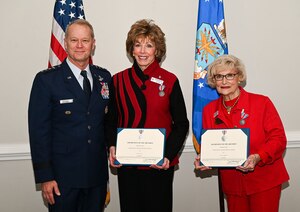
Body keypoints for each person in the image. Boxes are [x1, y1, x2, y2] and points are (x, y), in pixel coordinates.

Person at [106, 19, 189, 212]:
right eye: (138, 45)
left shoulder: (169, 80)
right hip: (128, 166)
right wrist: (111, 145)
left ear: (157, 50)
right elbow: (110, 120)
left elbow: (181, 124)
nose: (143, 51)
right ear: (131, 49)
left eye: (149, 45)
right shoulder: (118, 80)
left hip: (159, 166)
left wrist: (168, 155)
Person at [28, 19, 111, 212]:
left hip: (96, 177)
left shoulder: (104, 78)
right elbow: (38, 132)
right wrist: (45, 177)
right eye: (74, 40)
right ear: (65, 43)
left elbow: (107, 123)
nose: (80, 46)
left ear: (93, 43)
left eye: (85, 40)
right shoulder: (46, 81)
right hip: (62, 179)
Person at [194, 54, 289, 212]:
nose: (224, 81)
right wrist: (203, 159)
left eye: (230, 75)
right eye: (219, 76)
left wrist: (258, 157)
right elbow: (211, 145)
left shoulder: (261, 103)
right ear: (213, 80)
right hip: (233, 185)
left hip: (264, 181)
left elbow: (278, 140)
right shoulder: (209, 110)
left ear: (239, 77)